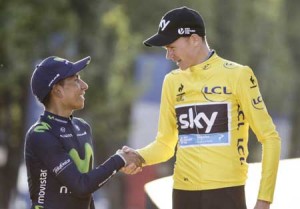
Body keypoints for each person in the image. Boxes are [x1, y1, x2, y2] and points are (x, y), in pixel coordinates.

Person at [122, 6, 281, 209]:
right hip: (182, 193)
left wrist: (264, 200)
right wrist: (139, 156)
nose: (168, 56)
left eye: (171, 47)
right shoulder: (171, 81)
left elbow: (270, 138)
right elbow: (165, 144)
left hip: (226, 192)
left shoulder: (238, 75)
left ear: (194, 39)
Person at [25, 56, 142, 209]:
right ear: (57, 91)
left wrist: (121, 161)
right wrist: (120, 159)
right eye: (75, 80)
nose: (84, 86)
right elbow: (81, 186)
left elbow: (87, 191)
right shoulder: (40, 135)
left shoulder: (82, 127)